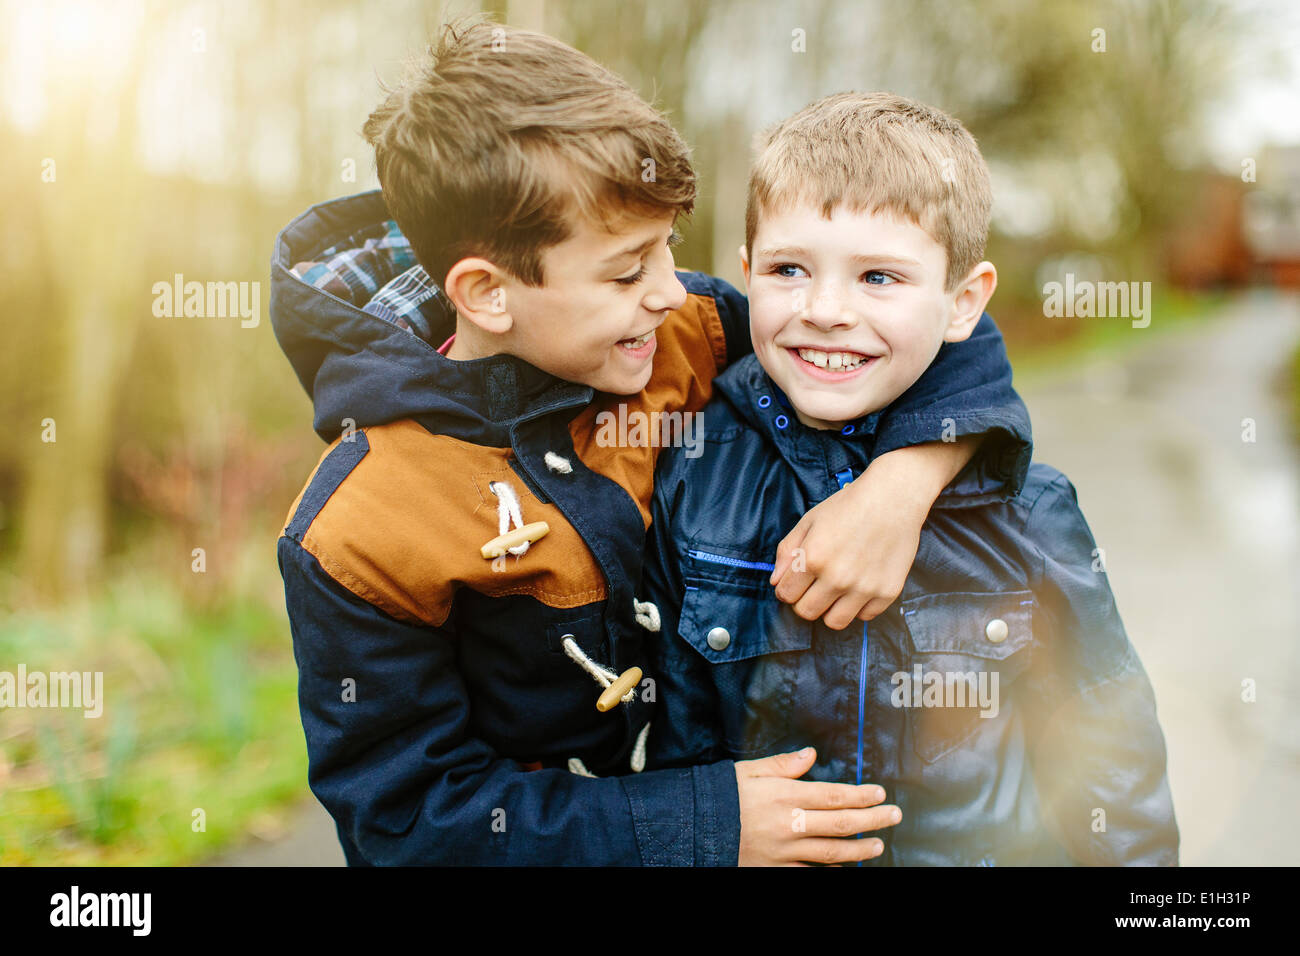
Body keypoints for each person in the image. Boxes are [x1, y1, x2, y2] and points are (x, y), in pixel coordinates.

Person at [271, 23, 1031, 865]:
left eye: (668, 245)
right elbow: (407, 823)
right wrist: (698, 825)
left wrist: (901, 486)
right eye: (628, 269)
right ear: (486, 293)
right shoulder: (354, 533)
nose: (671, 288)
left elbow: (941, 340)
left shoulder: (688, 333)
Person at [643, 91, 1179, 865]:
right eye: (789, 268)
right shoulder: (694, 479)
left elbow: (1107, 745)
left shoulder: (1027, 511)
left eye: (879, 278)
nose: (825, 309)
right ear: (746, 273)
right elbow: (678, 746)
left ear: (964, 303)